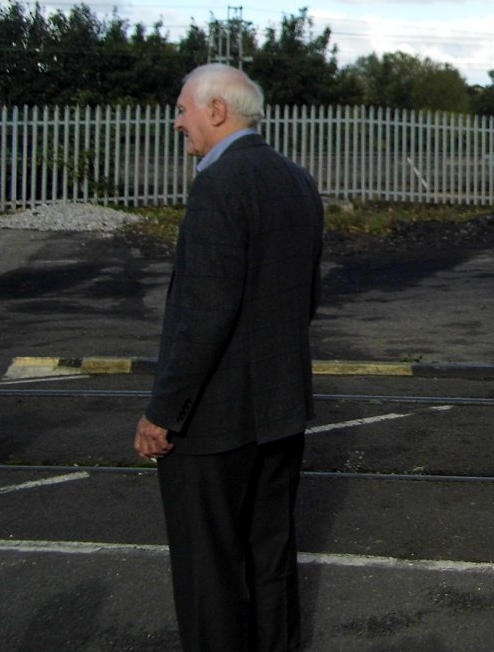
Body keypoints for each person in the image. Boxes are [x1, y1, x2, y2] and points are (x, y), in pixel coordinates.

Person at [134, 63, 325, 652]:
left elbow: (205, 312)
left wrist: (163, 412)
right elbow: (304, 301)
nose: (177, 122)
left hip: (214, 424)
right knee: (270, 562)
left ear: (217, 111)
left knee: (209, 575)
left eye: (182, 109)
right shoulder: (296, 180)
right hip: (279, 414)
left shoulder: (219, 185)